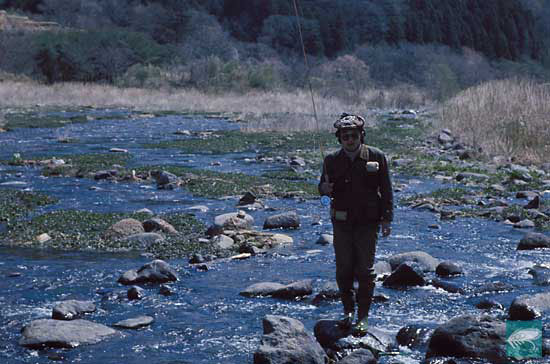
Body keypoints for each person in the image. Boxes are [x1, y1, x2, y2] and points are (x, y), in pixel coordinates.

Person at [319, 112, 393, 336]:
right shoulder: (331, 160)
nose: (349, 140)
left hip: (368, 223)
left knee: (365, 270)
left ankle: (363, 316)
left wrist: (387, 219)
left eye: (353, 135)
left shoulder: (377, 156)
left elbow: (387, 191)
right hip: (341, 222)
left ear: (361, 135)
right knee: (343, 270)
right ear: (339, 139)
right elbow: (321, 191)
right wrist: (324, 190)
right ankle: (347, 312)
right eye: (344, 136)